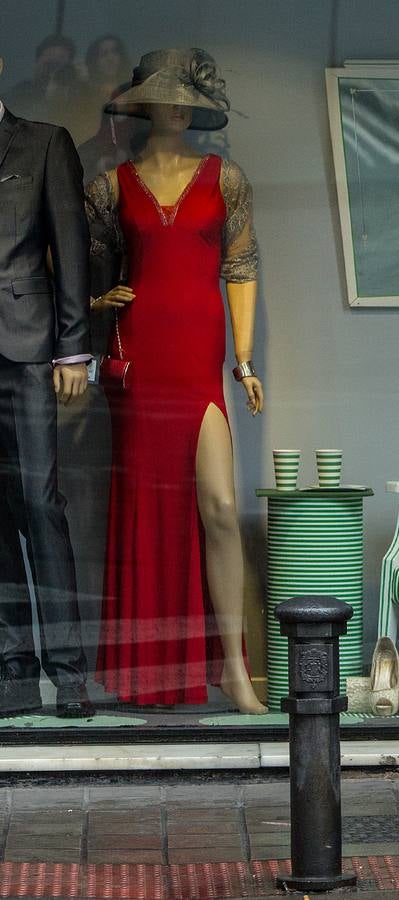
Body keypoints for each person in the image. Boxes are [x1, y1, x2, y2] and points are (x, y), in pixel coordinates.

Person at [85, 49, 267, 713]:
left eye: (189, 95)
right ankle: (149, 673)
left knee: (220, 508)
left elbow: (241, 268)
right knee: (146, 513)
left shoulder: (225, 178)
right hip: (141, 362)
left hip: (199, 360)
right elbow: (86, 268)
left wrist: (244, 362)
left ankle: (232, 670)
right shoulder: (110, 187)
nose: (180, 105)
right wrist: (98, 309)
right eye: (169, 95)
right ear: (147, 104)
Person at [0, 56, 97, 719]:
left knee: (41, 504)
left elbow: (72, 245)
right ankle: (12, 673)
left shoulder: (43, 142)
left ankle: (68, 676)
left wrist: (73, 346)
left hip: (29, 345)